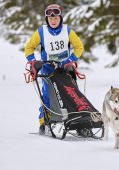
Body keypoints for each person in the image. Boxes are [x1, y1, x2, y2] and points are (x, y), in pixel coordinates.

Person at [24, 4, 84, 134]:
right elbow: (29, 48)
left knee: (72, 94)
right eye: (50, 19)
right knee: (47, 96)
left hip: (65, 69)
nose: (53, 21)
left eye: (56, 18)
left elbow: (79, 47)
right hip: (48, 70)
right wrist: (33, 61)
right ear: (47, 19)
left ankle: (78, 122)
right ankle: (44, 122)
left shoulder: (68, 31)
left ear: (60, 18)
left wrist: (70, 59)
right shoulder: (41, 32)